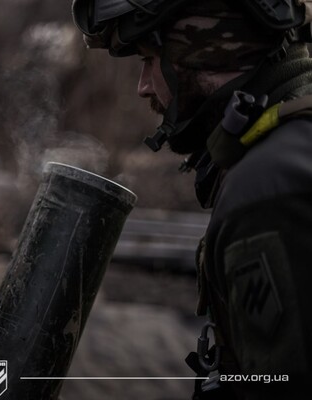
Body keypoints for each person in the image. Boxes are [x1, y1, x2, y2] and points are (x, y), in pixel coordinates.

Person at [73, 0, 312, 398]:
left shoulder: (268, 191)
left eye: (149, 59)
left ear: (206, 47)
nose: (143, 85)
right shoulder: (289, 149)